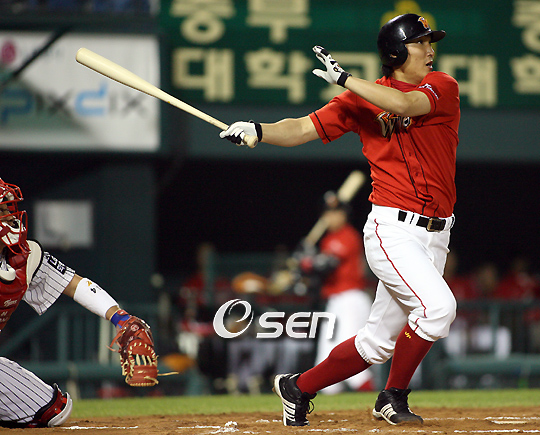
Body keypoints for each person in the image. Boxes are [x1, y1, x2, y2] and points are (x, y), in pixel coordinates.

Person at [220, 13, 460, 426]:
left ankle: (297, 387)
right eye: (420, 42)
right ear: (396, 53)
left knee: (377, 342)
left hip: (437, 234)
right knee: (438, 310)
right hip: (393, 230)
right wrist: (259, 129)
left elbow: (404, 104)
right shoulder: (358, 100)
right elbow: (301, 128)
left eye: (429, 41)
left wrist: (347, 79)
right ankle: (393, 396)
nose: (429, 49)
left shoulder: (442, 85)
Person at [0, 178, 156, 428]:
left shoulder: (23, 256)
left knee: (54, 410)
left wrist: (122, 319)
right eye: (2, 210)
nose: (9, 216)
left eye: (8, 208)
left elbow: (74, 285)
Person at [295, 191, 374, 393]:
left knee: (352, 363)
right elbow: (317, 275)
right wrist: (303, 265)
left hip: (351, 300)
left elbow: (327, 264)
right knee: (325, 365)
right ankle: (330, 410)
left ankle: (375, 402)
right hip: (335, 302)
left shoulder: (348, 236)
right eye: (328, 213)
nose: (331, 217)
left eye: (336, 212)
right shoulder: (327, 240)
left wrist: (306, 260)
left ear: (344, 214)